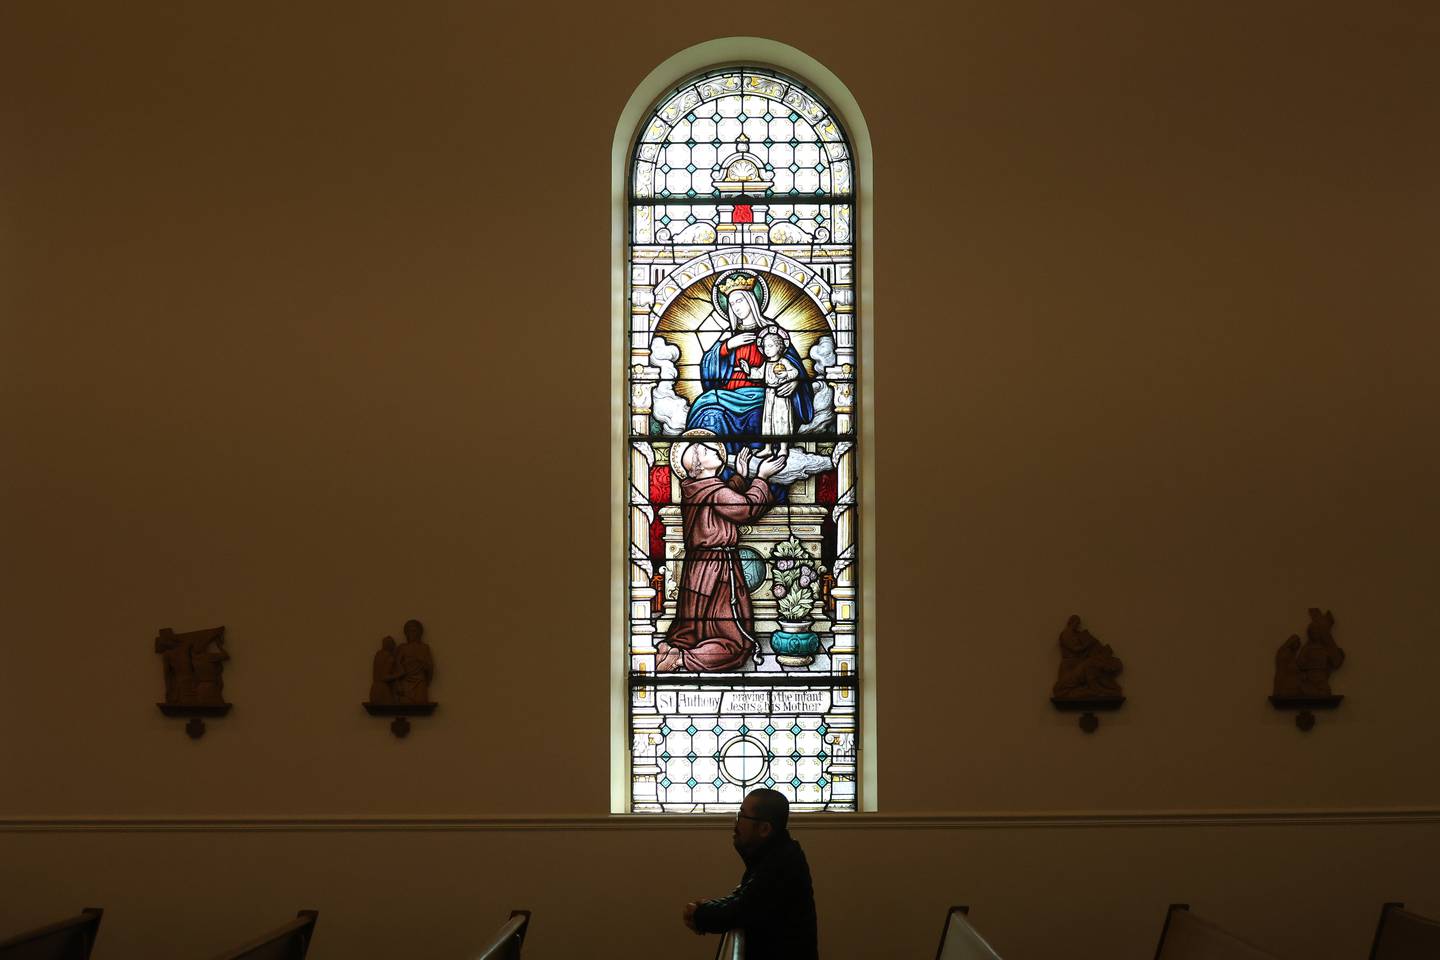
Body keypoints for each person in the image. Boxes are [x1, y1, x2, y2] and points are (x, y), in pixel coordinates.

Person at [657, 433, 787, 673]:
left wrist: (740, 476)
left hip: (700, 568)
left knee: (696, 630)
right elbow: (745, 509)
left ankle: (675, 651)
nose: (712, 449)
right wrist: (762, 477)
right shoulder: (713, 491)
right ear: (698, 467)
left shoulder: (696, 489)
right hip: (717, 572)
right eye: (705, 451)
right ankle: (681, 660)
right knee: (736, 645)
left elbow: (724, 501)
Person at [683, 788, 819, 960]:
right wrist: (708, 907)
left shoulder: (782, 864)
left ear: (764, 828)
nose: (736, 824)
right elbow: (743, 895)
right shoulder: (773, 856)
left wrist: (699, 914)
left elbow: (743, 909)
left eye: (742, 816)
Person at [687, 272, 813, 447]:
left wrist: (795, 384)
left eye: (740, 301)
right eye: (732, 304)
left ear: (751, 300)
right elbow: (708, 365)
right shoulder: (728, 336)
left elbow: (793, 366)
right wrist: (728, 345)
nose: (736, 307)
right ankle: (714, 465)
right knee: (708, 410)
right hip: (728, 393)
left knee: (758, 417)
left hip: (761, 394)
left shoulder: (773, 333)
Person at [738, 324, 801, 460]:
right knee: (767, 421)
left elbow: (795, 372)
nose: (767, 349)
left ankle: (783, 449)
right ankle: (768, 448)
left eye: (770, 346)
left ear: (779, 347)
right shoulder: (766, 363)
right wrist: (748, 370)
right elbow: (758, 374)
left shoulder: (784, 361)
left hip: (781, 396)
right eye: (765, 346)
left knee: (782, 420)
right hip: (769, 394)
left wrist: (785, 374)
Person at [394, 619, 434, 704]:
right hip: (406, 682)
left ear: (419, 633)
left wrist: (424, 666)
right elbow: (396, 666)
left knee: (421, 702)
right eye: (409, 631)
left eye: (414, 631)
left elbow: (430, 666)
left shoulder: (424, 648)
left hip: (420, 681)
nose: (411, 634)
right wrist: (398, 684)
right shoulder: (402, 648)